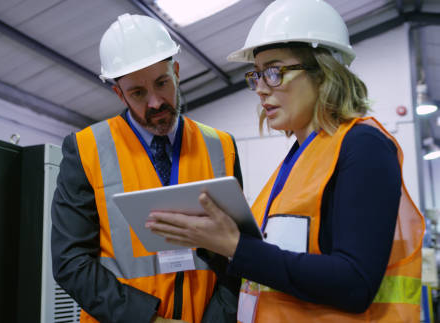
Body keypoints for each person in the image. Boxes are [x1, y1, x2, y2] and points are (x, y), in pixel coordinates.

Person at [145, 0, 425, 322]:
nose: (260, 90)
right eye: (257, 75)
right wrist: (209, 238)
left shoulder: (363, 147)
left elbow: (355, 283)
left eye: (275, 72)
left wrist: (236, 246)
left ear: (323, 72)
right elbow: (276, 265)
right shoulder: (297, 161)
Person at [51, 13, 244, 323]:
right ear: (119, 93)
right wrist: (149, 320)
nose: (155, 102)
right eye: (138, 93)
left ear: (177, 72)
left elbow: (238, 253)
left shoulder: (221, 146)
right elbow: (70, 263)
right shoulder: (86, 149)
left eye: (162, 83)